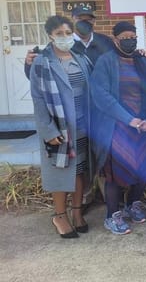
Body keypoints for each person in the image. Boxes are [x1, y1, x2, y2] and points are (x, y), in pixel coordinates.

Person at [90, 21, 146, 235]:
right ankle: (112, 215)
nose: (130, 40)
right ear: (115, 40)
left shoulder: (143, 62)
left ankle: (133, 204)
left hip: (143, 128)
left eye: (133, 36)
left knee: (142, 170)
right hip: (118, 128)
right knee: (115, 175)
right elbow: (101, 96)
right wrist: (129, 119)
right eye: (125, 37)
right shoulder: (106, 62)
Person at [30, 15, 93, 239]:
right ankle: (59, 215)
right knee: (60, 172)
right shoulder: (42, 62)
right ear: (50, 36)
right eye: (59, 34)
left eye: (68, 33)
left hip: (82, 126)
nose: (65, 38)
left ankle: (77, 213)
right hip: (59, 129)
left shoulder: (80, 57)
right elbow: (38, 99)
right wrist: (48, 131)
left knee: (79, 171)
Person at [25, 4, 114, 78]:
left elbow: (114, 68)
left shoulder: (105, 41)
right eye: (80, 18)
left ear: (94, 21)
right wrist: (29, 65)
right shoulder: (60, 44)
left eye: (89, 19)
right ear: (73, 19)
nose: (84, 22)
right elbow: (37, 76)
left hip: (99, 94)